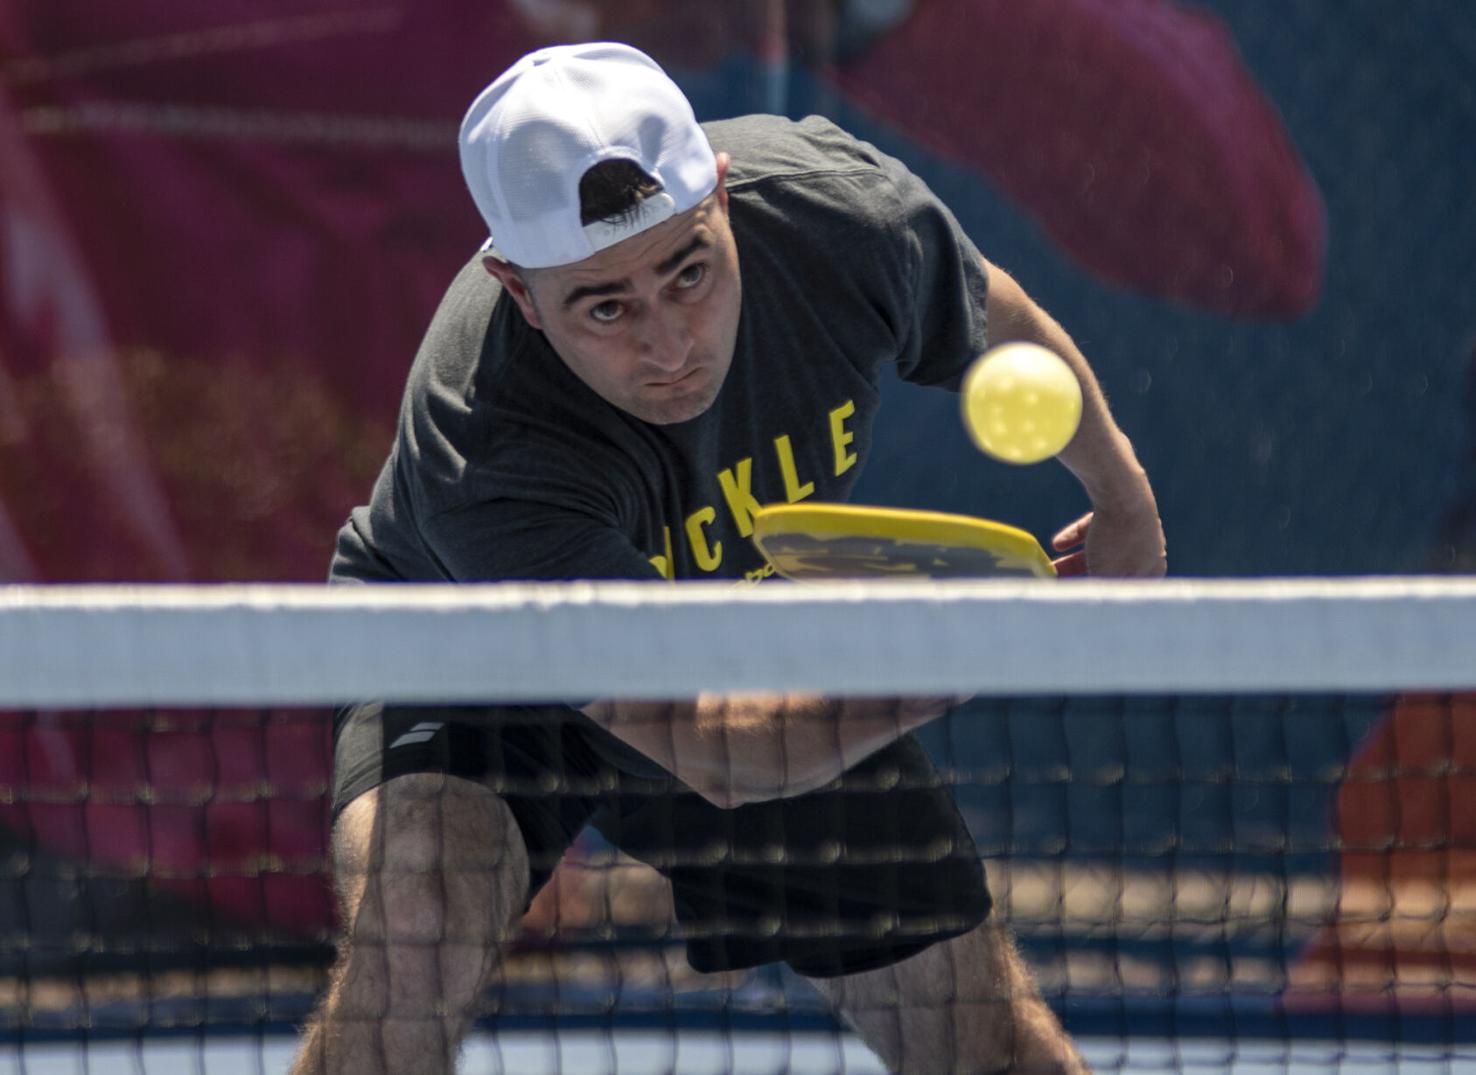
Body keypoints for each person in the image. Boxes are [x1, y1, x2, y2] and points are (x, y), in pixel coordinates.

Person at [294, 41, 1165, 1075]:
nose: (670, 346)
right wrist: (956, 655)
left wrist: (1123, 497)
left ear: (721, 190)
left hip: (736, 630)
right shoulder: (486, 444)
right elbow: (719, 749)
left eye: (688, 270)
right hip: (471, 667)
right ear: (519, 291)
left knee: (982, 1046)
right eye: (606, 306)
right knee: (414, 939)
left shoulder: (839, 215)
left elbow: (990, 314)